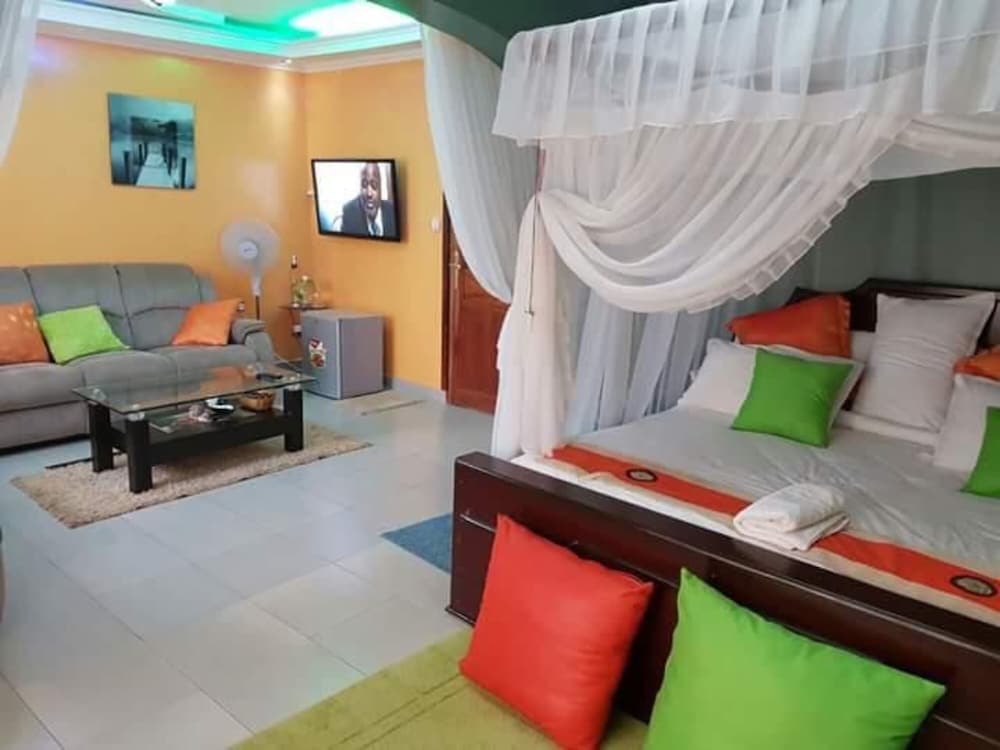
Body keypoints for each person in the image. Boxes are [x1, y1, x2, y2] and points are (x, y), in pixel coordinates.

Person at [340, 162, 396, 238]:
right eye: (364, 185)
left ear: (380, 188)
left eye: (374, 185)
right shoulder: (349, 213)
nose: (369, 193)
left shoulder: (392, 211)